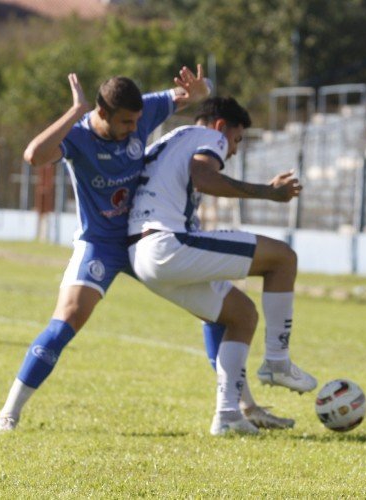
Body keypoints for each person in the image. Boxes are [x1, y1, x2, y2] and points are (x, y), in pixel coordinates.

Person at [0, 67, 211, 433]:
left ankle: (233, 408)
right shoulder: (77, 137)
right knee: (66, 320)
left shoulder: (143, 111)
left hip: (147, 236)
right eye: (126, 122)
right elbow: (34, 156)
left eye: (137, 120)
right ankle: (9, 412)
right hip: (102, 244)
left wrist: (202, 91)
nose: (134, 129)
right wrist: (75, 110)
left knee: (214, 301)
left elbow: (194, 96)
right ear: (102, 113)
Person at [127, 96, 317, 436]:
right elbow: (204, 178)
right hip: (167, 244)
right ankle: (277, 361)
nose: (233, 151)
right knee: (283, 259)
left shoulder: (169, 139)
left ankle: (229, 414)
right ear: (220, 127)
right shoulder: (209, 137)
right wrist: (270, 193)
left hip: (142, 257)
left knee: (241, 315)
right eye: (237, 140)